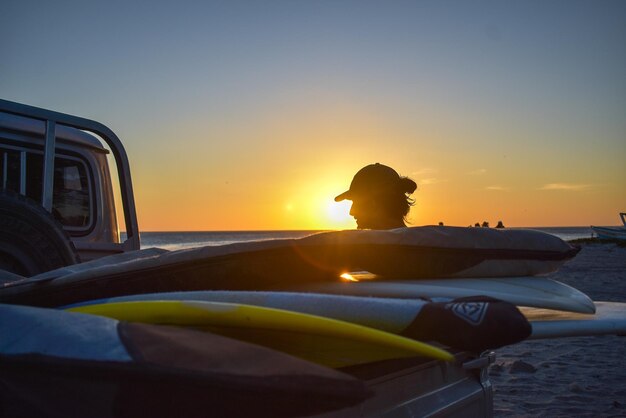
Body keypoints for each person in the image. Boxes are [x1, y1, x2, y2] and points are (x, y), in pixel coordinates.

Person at [335, 163, 417, 230]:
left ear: (377, 202)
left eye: (357, 202)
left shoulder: (359, 247)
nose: (351, 212)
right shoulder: (421, 244)